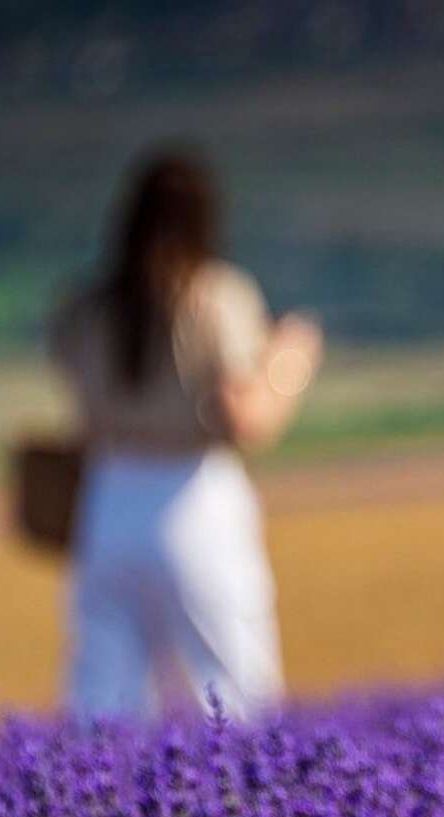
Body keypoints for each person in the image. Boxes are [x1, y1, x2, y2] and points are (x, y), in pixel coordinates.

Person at [46, 147, 322, 721]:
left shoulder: (86, 308)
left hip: (107, 501)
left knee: (102, 701)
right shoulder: (215, 296)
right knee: (234, 693)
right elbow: (246, 418)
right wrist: (291, 360)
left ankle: (92, 810)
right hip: (195, 502)